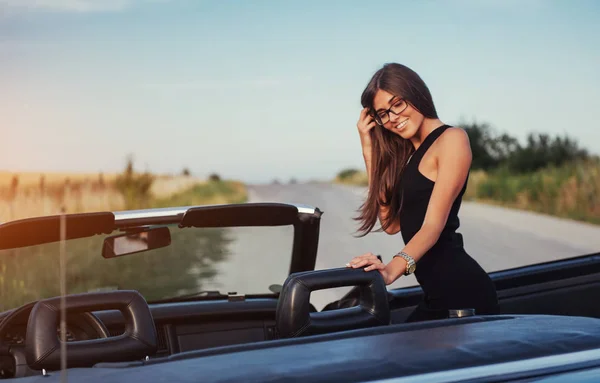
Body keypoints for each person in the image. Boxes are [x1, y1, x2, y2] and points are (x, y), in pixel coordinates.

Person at [346, 63, 499, 322]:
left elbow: (432, 227)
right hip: (436, 295)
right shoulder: (408, 156)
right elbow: (391, 223)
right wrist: (368, 148)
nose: (392, 117)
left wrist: (389, 271)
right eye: (383, 113)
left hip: (463, 296)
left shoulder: (451, 139)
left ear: (416, 93)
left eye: (398, 104)